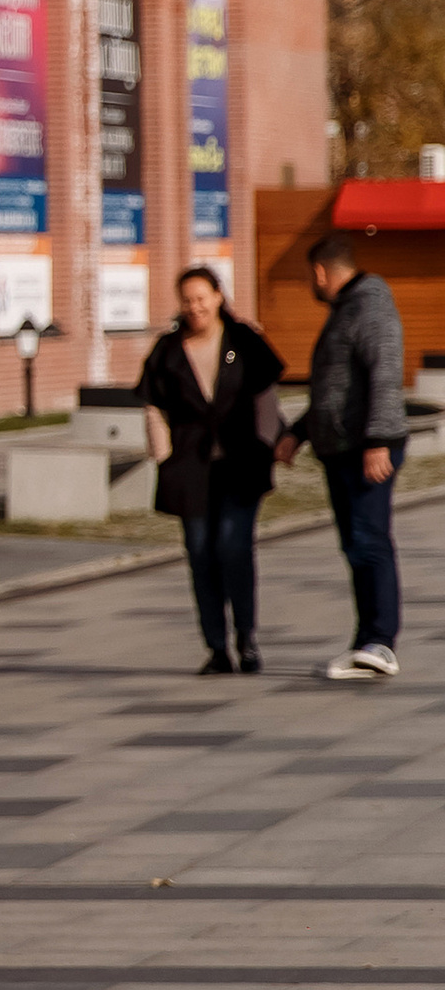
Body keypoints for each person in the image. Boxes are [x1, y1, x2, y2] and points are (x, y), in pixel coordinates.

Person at [136, 264, 283, 675]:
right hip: (190, 468)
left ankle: (247, 638)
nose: (195, 307)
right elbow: (153, 405)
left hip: (241, 465)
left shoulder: (243, 340)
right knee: (201, 554)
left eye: (201, 298)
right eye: (187, 300)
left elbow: (266, 397)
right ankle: (217, 647)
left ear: (218, 296)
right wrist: (163, 456)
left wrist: (267, 445)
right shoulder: (168, 350)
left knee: (234, 548)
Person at [278, 230, 408, 679]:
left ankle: (382, 642)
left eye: (308, 277)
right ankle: (365, 644)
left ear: (320, 272)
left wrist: (378, 441)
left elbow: (385, 374)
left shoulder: (370, 306)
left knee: (370, 542)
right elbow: (335, 389)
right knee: (356, 545)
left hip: (366, 447)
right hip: (341, 448)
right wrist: (298, 433)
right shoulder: (347, 309)